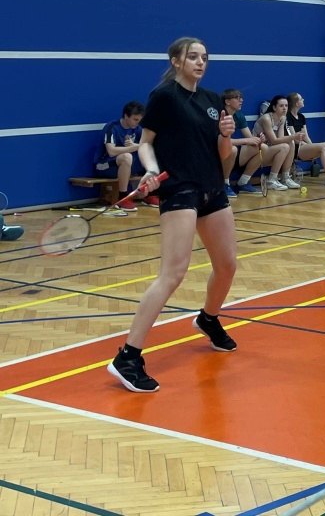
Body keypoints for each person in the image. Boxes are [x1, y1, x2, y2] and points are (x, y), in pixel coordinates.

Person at [108, 37, 240, 393]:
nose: (200, 62)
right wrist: (151, 170)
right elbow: (146, 142)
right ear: (176, 61)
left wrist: (226, 136)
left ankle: (208, 318)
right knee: (173, 273)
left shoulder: (213, 100)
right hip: (180, 188)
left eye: (204, 57)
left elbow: (223, 155)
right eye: (192, 56)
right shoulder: (165, 96)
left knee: (227, 265)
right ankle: (128, 357)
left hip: (212, 188)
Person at [221, 89, 288, 196]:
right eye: (237, 98)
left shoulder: (239, 115)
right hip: (217, 152)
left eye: (241, 98)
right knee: (232, 149)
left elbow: (250, 138)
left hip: (234, 152)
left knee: (262, 147)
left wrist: (258, 140)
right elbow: (221, 141)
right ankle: (224, 184)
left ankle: (243, 182)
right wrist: (247, 140)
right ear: (227, 101)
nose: (241, 100)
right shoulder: (220, 115)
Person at [94, 101, 155, 210]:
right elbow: (111, 151)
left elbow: (148, 145)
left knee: (151, 155)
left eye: (139, 120)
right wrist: (135, 147)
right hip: (105, 165)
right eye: (135, 119)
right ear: (126, 116)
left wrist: (138, 146)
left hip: (127, 166)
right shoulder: (111, 127)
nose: (138, 122)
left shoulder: (137, 129)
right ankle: (123, 198)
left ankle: (150, 193)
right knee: (127, 156)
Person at [254, 96, 303, 190]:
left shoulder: (283, 118)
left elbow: (280, 138)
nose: (284, 108)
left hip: (270, 149)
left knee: (290, 143)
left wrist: (293, 138)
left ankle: (285, 177)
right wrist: (294, 136)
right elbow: (274, 140)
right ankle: (271, 180)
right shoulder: (266, 118)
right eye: (281, 106)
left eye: (286, 106)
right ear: (274, 107)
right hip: (258, 151)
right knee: (285, 146)